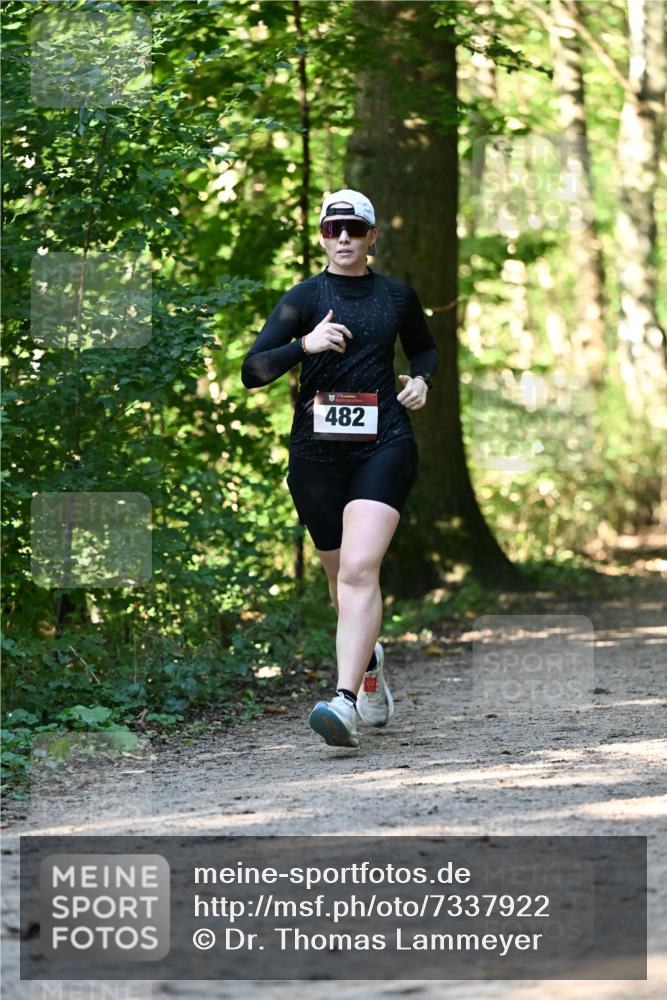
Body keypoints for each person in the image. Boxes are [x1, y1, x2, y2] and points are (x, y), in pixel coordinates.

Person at [241, 188, 437, 749]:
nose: (344, 239)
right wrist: (305, 344)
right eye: (334, 230)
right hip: (316, 457)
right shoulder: (303, 297)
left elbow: (425, 350)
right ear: (322, 236)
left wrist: (421, 380)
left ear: (373, 235)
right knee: (340, 583)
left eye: (355, 229)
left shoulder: (397, 297)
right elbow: (252, 371)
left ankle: (344, 701)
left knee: (357, 570)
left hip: (385, 444)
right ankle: (369, 662)